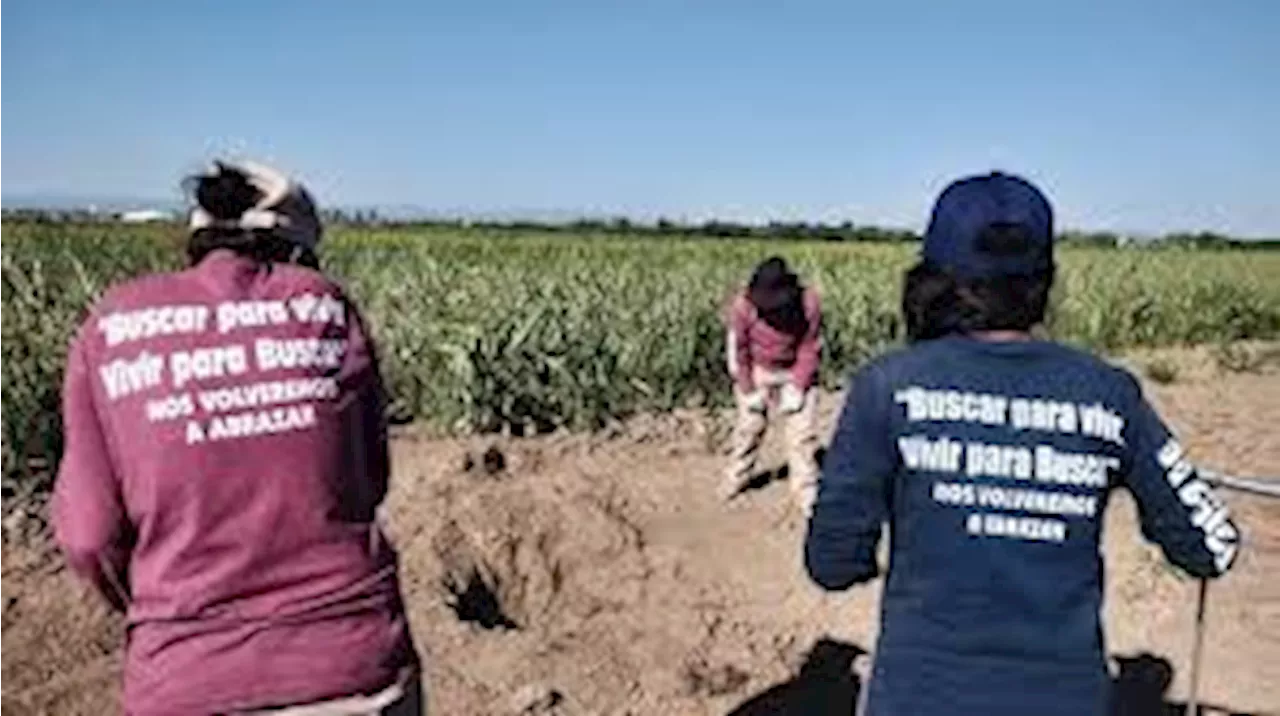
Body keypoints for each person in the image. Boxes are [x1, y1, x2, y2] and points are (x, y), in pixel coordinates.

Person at [804, 171, 1240, 715]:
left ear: (933, 276)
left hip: (921, 695)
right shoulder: (1108, 395)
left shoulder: (887, 387)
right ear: (1045, 281)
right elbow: (1212, 546)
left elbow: (831, 562)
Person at [52, 160, 424, 715]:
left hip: (186, 679)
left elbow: (89, 534)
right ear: (297, 249)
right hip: (351, 670)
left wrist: (173, 611)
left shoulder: (111, 324)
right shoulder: (324, 306)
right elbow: (369, 479)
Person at [721, 257, 823, 514]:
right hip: (758, 370)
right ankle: (736, 478)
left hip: (794, 369)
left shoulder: (808, 303)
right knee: (749, 428)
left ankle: (805, 491)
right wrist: (748, 390)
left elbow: (810, 347)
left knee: (802, 437)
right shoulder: (743, 308)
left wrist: (799, 386)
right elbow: (738, 352)